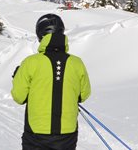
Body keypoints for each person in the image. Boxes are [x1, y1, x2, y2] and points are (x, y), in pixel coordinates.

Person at [11, 14, 91, 149]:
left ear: (40, 35)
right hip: (67, 134)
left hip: (36, 133)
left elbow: (19, 97)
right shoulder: (77, 63)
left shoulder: (30, 62)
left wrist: (18, 76)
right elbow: (84, 95)